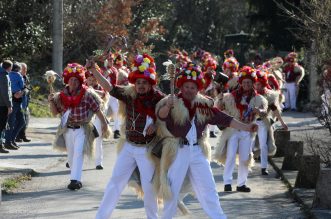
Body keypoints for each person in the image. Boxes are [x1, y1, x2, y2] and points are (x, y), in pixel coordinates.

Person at [156, 62, 258, 219]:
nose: (189, 90)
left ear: (198, 88)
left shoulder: (204, 104)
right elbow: (161, 116)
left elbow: (224, 118)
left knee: (208, 188)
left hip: (197, 151)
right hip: (177, 150)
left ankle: (219, 217)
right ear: (181, 87)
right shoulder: (172, 101)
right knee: (172, 189)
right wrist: (168, 106)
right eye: (186, 86)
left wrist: (246, 127)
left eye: (193, 87)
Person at [92, 53, 165, 219]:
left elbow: (168, 117)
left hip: (147, 150)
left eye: (144, 83)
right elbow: (109, 87)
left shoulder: (159, 98)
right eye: (138, 82)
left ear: (150, 83)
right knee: (115, 183)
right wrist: (94, 72)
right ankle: (101, 217)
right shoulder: (128, 93)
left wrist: (157, 124)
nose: (140, 86)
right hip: (129, 147)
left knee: (149, 187)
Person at [48, 63, 108, 190]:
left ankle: (75, 180)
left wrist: (104, 124)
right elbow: (54, 112)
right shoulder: (61, 95)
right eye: (71, 79)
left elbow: (97, 110)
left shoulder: (87, 93)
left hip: (83, 129)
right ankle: (74, 175)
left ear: (80, 80)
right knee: (70, 157)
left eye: (76, 79)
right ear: (67, 80)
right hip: (67, 129)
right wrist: (51, 101)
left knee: (78, 154)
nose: (73, 82)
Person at [214, 66, 268, 193]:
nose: (246, 85)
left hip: (247, 130)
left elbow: (265, 112)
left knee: (245, 158)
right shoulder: (230, 96)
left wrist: (259, 110)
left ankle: (241, 184)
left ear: (253, 83)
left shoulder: (259, 98)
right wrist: (220, 97)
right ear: (240, 83)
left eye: (249, 82)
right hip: (233, 129)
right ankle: (227, 182)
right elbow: (219, 107)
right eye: (244, 82)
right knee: (230, 155)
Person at [254, 69, 288, 175]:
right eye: (256, 84)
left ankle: (264, 167)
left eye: (259, 84)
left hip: (263, 122)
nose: (256, 86)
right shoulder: (251, 93)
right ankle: (245, 166)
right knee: (249, 145)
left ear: (263, 84)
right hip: (251, 122)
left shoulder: (269, 95)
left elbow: (275, 110)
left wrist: (282, 123)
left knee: (263, 145)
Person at [85, 66, 109, 170]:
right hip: (85, 116)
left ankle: (98, 162)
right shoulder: (82, 87)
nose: (91, 81)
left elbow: (104, 95)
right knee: (82, 139)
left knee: (98, 138)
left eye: (93, 79)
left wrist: (92, 90)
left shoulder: (99, 88)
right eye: (89, 79)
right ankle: (71, 161)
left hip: (98, 116)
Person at [4, 62, 25, 150]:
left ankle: (10, 140)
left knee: (14, 121)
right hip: (16, 100)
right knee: (17, 121)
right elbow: (22, 86)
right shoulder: (18, 75)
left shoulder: (7, 74)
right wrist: (24, 90)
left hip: (11, 99)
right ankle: (9, 141)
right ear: (18, 69)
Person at [16, 62, 32, 142]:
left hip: (26, 102)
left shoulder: (25, 77)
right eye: (24, 69)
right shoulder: (16, 77)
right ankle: (17, 136)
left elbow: (28, 87)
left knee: (26, 120)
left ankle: (23, 135)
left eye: (26, 69)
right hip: (19, 102)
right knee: (20, 120)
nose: (25, 71)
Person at [0, 60, 13, 153]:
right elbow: (5, 93)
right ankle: (0, 146)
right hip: (3, 104)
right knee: (2, 126)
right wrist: (9, 105)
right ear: (9, 67)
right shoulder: (4, 76)